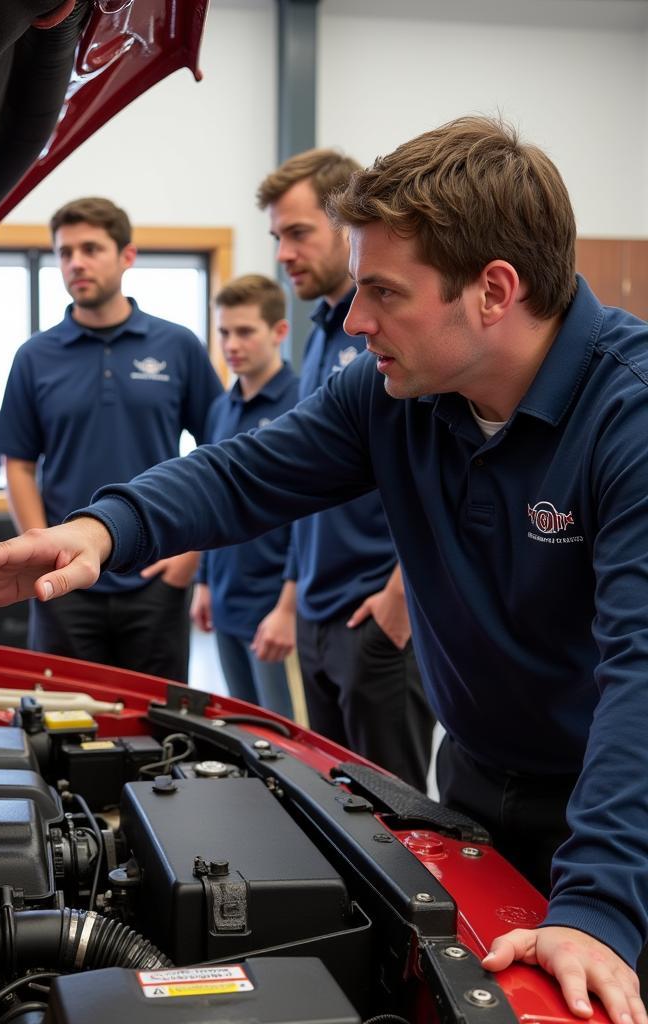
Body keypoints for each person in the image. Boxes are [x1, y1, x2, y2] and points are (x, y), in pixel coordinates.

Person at [0, 117, 648, 1024]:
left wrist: (603, 909)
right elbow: (247, 470)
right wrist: (104, 530)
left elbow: (640, 677)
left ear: (494, 290)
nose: (352, 319)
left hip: (620, 815)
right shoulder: (393, 395)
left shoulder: (631, 420)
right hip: (482, 782)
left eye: (382, 291)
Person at [257, 148, 433, 791]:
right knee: (341, 801)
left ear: (347, 227)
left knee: (399, 810)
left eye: (298, 233)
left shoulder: (396, 339)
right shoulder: (323, 333)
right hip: (319, 612)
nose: (283, 252)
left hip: (375, 615)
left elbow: (435, 472)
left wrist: (398, 596)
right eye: (277, 237)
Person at [0, 196, 222, 681]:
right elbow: (19, 465)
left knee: (158, 729)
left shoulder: (177, 345)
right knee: (65, 726)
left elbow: (218, 451)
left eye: (91, 248)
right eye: (65, 252)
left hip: (157, 572)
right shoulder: (34, 356)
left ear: (126, 256)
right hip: (64, 579)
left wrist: (191, 558)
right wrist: (42, 555)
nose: (76, 262)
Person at [190, 274, 297, 717]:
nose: (232, 344)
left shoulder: (305, 402)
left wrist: (288, 608)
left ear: (279, 332)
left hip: (275, 605)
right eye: (224, 332)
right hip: (228, 599)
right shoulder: (221, 408)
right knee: (247, 732)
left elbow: (311, 514)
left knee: (287, 737)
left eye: (245, 331)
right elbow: (215, 502)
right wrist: (203, 582)